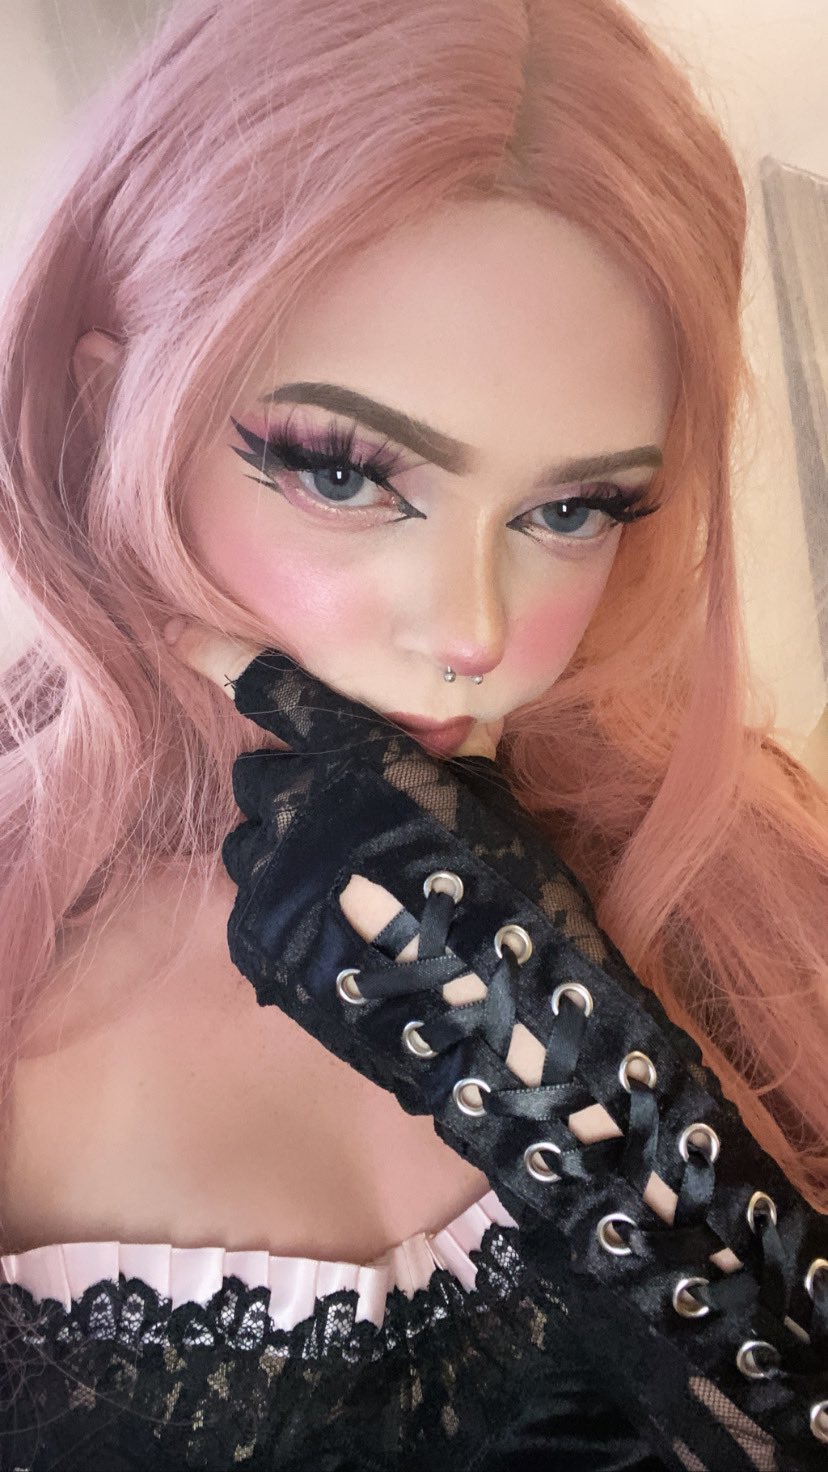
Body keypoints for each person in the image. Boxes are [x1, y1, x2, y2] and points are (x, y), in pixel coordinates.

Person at [0, 0, 825, 1467]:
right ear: (113, 408)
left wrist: (595, 1102)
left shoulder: (758, 888)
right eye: (344, 474)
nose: (473, 632)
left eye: (570, 509)